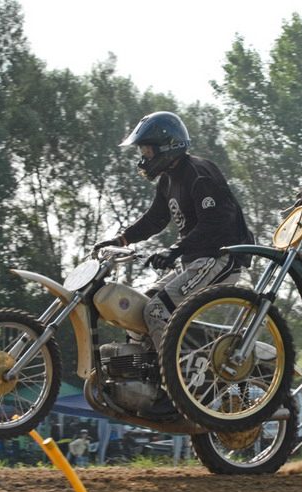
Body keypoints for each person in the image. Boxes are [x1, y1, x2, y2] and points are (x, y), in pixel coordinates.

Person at [93, 111, 254, 419]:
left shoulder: (199, 173)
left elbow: (217, 222)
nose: (143, 157)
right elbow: (156, 219)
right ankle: (147, 378)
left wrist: (175, 249)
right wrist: (121, 239)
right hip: (195, 260)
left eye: (147, 150)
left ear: (167, 147)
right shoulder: (169, 179)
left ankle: (178, 391)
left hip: (221, 257)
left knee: (157, 311)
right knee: (141, 308)